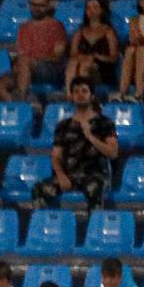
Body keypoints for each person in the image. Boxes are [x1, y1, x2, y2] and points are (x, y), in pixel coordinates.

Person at [34, 78, 118, 208]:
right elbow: (56, 156)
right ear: (72, 96)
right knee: (39, 189)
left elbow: (113, 153)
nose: (80, 95)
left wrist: (90, 137)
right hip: (71, 175)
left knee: (94, 189)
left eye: (84, 91)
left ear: (92, 95)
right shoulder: (63, 125)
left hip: (96, 174)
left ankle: (94, 226)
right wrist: (61, 176)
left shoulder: (105, 123)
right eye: (76, 91)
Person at [0, 0, 67, 101]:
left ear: (48, 6)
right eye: (34, 5)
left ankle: (21, 99)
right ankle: (18, 107)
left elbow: (57, 56)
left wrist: (33, 59)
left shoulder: (57, 26)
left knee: (25, 61)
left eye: (41, 5)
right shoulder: (23, 27)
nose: (37, 9)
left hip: (49, 69)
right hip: (26, 68)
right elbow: (21, 54)